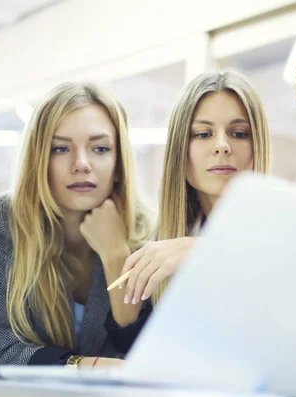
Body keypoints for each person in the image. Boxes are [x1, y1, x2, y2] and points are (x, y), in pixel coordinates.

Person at [0, 82, 152, 367]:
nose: (81, 164)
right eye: (60, 149)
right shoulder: (5, 220)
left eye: (100, 148)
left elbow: (139, 349)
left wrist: (115, 254)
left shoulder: (149, 230)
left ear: (119, 163)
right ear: (38, 160)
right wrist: (82, 366)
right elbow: (2, 347)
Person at [105, 70, 271, 352]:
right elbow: (136, 348)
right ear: (180, 151)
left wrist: (205, 250)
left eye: (239, 133)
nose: (222, 146)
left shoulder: (284, 236)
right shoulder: (164, 244)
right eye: (203, 134)